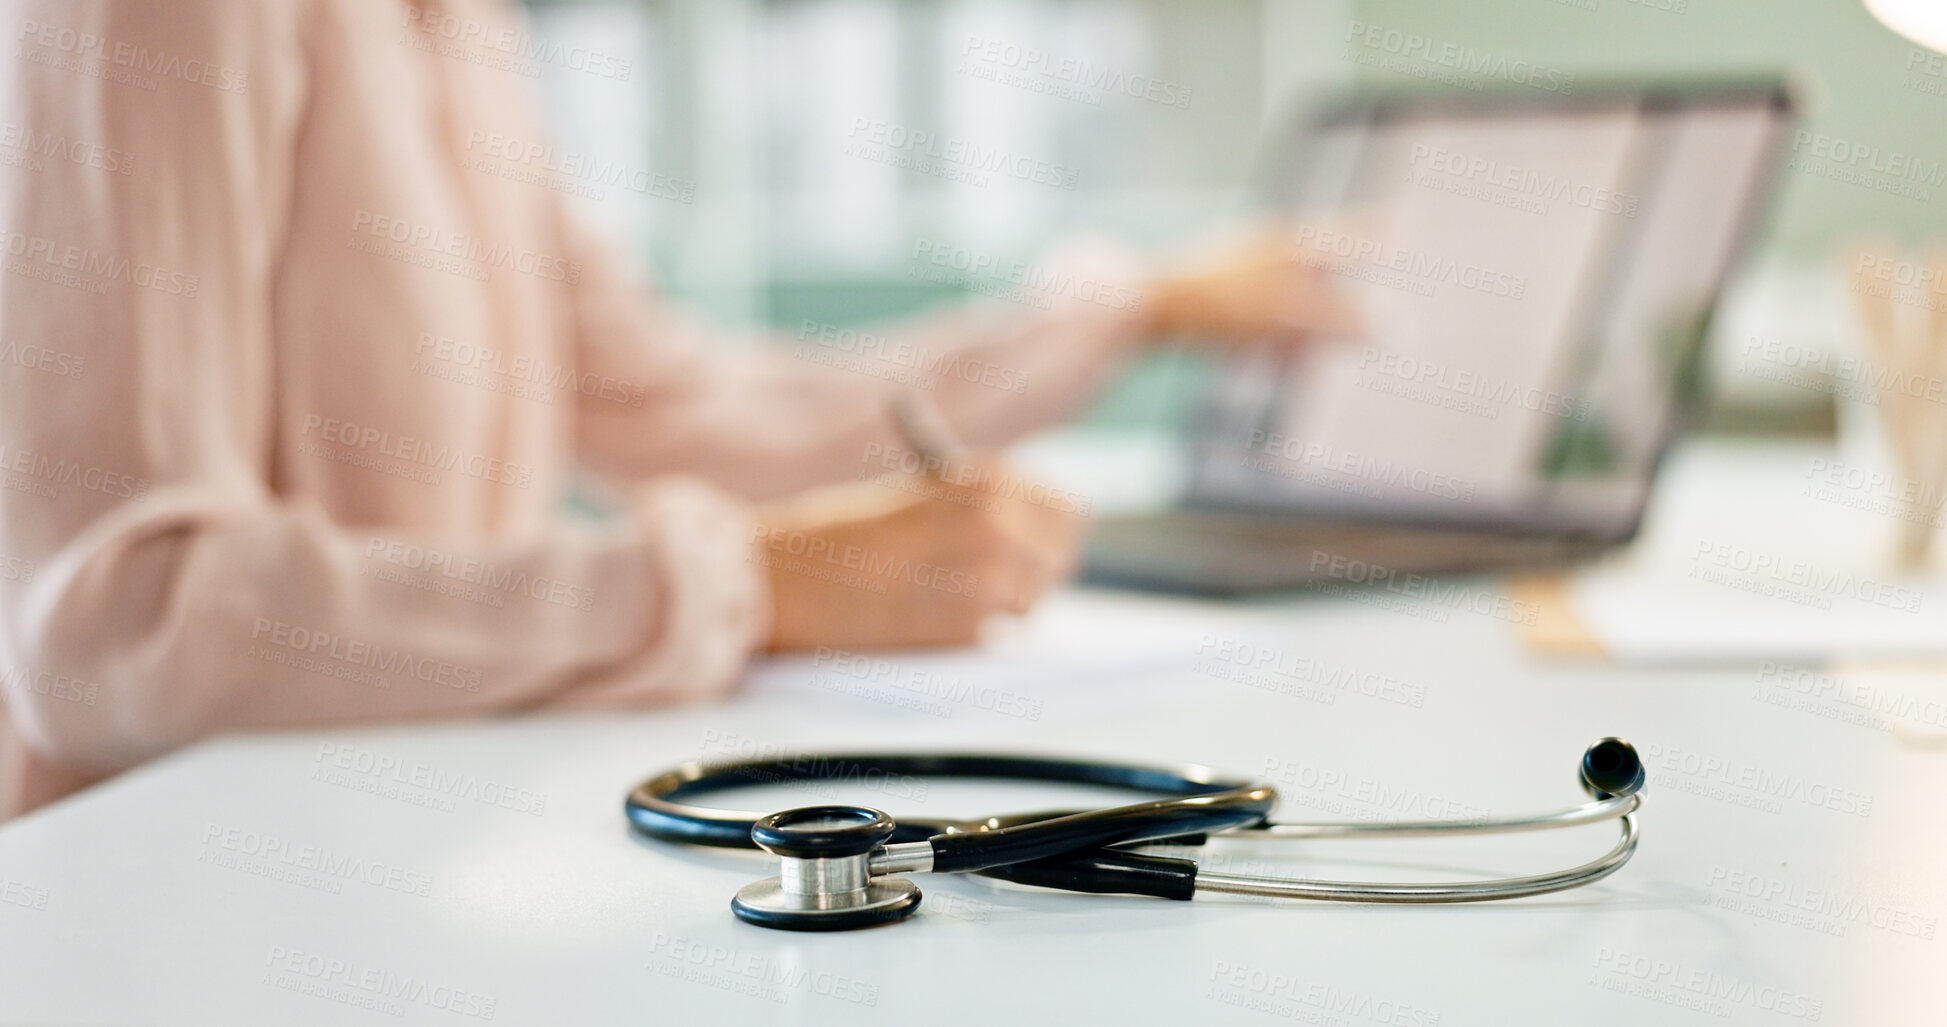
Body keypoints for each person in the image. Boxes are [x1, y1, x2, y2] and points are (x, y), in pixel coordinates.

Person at [0, 0, 1355, 819]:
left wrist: (1129, 309)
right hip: (166, 919)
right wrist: (744, 588)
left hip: (376, 851)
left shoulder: (459, 28)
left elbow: (691, 408)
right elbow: (119, 626)